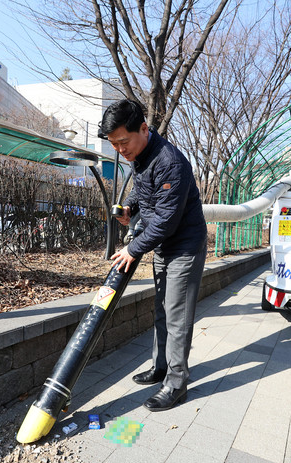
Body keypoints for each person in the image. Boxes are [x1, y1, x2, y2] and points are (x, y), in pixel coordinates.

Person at [102, 99, 207, 412]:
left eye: (123, 141)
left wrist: (132, 249)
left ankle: (177, 383)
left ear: (144, 129)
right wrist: (130, 208)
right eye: (114, 144)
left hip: (184, 245)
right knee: (161, 309)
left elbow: (166, 220)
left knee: (177, 317)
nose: (120, 149)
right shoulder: (140, 154)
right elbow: (142, 190)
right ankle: (160, 366)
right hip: (163, 244)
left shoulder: (169, 162)